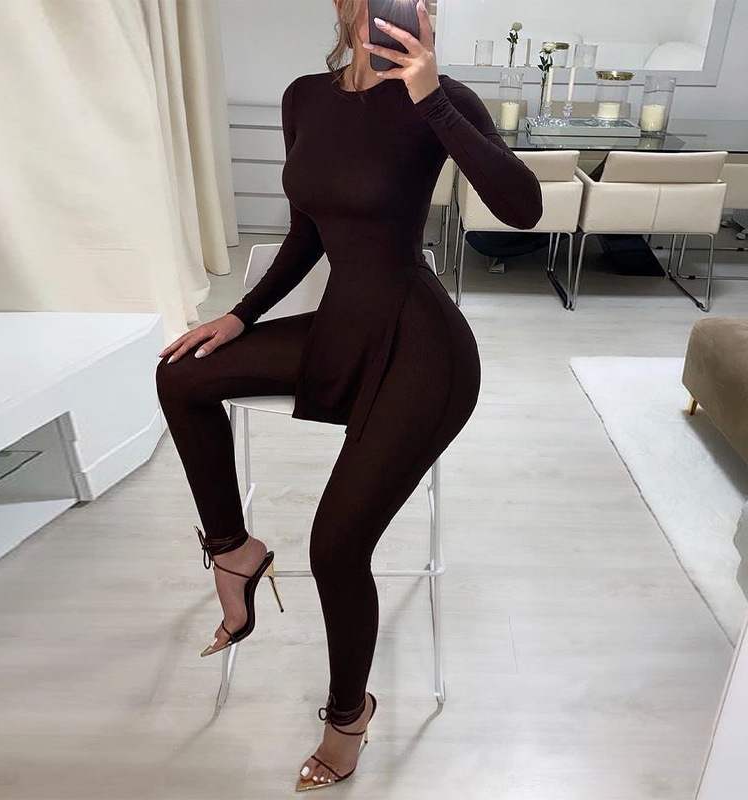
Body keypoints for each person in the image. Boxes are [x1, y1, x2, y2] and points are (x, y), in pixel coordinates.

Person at [155, 0, 541, 791]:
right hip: (341, 329)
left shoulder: (443, 99)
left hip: (423, 350)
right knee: (181, 373)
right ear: (344, 4)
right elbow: (307, 235)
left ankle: (348, 714)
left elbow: (524, 209)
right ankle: (234, 552)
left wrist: (431, 96)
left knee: (336, 547)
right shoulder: (304, 98)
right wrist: (240, 315)